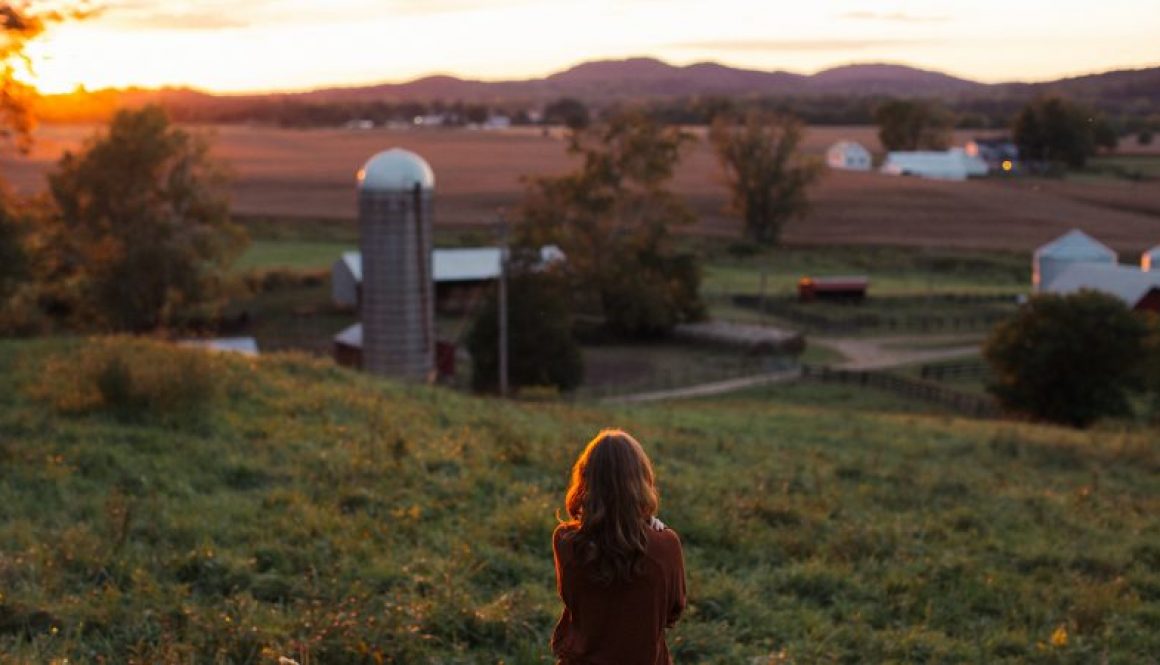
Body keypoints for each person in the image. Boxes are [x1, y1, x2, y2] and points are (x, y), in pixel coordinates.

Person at [551, 429, 686, 665]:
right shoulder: (666, 545)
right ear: (642, 479)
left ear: (586, 479)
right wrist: (655, 534)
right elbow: (672, 613)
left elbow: (573, 601)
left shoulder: (566, 541)